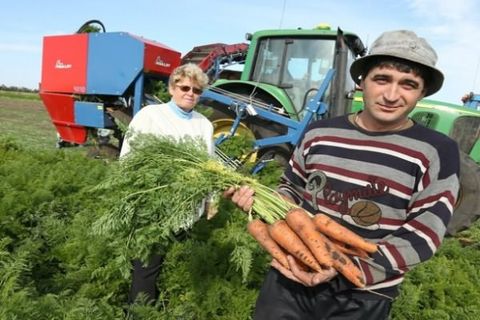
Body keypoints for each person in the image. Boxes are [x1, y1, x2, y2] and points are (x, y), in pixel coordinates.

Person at [225, 30, 460, 320]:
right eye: (382, 79)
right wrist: (260, 202)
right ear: (362, 82)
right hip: (292, 275)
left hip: (362, 292)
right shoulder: (320, 132)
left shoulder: (436, 150)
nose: (391, 95)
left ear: (422, 92)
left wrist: (344, 267)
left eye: (408, 84)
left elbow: (424, 233)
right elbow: (291, 188)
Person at [120, 63, 213, 304]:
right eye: (185, 87)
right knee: (147, 267)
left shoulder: (204, 123)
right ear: (172, 88)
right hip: (155, 205)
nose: (190, 93)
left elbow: (209, 165)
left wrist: (211, 199)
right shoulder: (151, 116)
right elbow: (129, 157)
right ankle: (139, 313)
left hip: (187, 206)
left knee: (176, 261)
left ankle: (169, 306)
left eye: (197, 90)